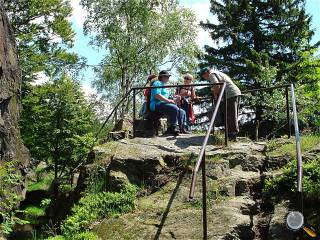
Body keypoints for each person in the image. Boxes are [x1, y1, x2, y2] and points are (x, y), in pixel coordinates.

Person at [199, 67, 241, 141]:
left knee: (230, 114)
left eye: (204, 77)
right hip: (234, 92)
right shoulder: (219, 73)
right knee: (232, 114)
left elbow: (216, 85)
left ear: (206, 73)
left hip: (229, 94)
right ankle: (231, 133)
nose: (205, 79)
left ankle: (232, 135)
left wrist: (215, 96)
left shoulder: (212, 74)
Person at [150, 70, 189, 135]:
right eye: (167, 77)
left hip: (164, 104)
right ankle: (172, 127)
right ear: (162, 77)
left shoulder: (165, 86)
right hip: (156, 104)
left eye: (168, 77)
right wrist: (168, 101)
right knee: (174, 108)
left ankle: (182, 128)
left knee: (182, 111)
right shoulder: (157, 83)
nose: (168, 78)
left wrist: (175, 97)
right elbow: (157, 95)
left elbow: (168, 98)